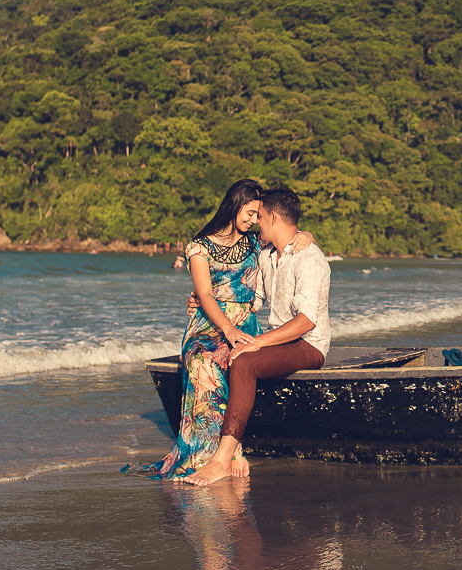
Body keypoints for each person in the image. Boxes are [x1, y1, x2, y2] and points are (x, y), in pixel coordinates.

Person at [128, 179, 314, 481]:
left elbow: (286, 234)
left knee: (237, 360)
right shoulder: (200, 246)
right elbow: (204, 295)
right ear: (235, 204)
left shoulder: (256, 242)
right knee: (202, 362)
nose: (254, 220)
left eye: (258, 215)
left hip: (245, 321)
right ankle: (209, 455)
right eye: (250, 213)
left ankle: (229, 451)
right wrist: (226, 329)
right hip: (208, 323)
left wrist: (307, 234)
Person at [182, 186, 331, 486]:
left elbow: (307, 322)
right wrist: (208, 303)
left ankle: (223, 459)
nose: (256, 222)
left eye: (260, 217)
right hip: (279, 340)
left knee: (245, 361)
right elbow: (256, 299)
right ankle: (216, 448)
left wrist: (259, 342)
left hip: (308, 345)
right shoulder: (266, 255)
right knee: (236, 355)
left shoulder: (309, 259)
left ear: (273, 218)